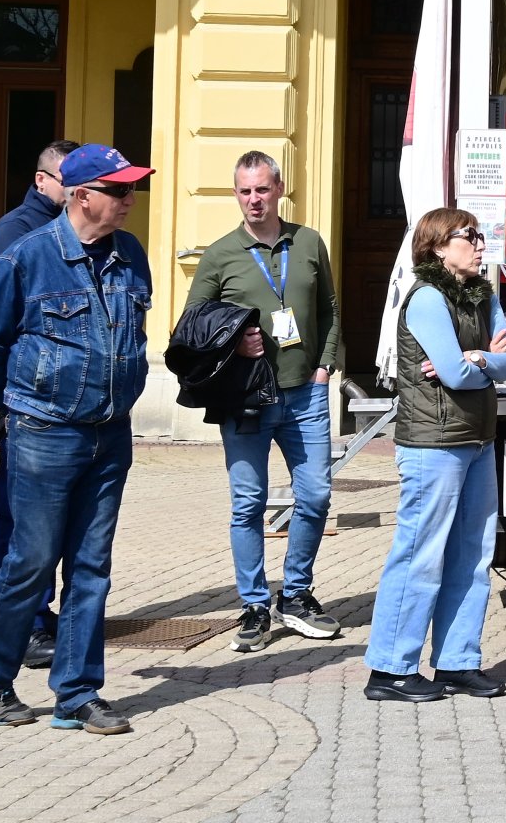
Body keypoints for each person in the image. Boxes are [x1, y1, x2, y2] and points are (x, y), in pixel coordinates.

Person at [0, 143, 155, 735]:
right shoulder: (27, 258)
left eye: (131, 190)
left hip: (110, 431)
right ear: (81, 196)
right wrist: (30, 399)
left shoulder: (129, 255)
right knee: (32, 560)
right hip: (44, 432)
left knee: (92, 566)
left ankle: (77, 693)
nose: (128, 201)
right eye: (118, 191)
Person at [188, 151, 342, 653]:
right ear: (237, 195)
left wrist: (324, 368)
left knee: (315, 495)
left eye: (262, 189)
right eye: (244, 191)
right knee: (248, 503)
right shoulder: (220, 254)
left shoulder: (310, 241)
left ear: (279, 189)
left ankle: (296, 594)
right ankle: (254, 604)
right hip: (247, 398)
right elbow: (192, 326)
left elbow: (330, 309)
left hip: (305, 394)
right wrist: (232, 342)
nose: (254, 200)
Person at [364, 208, 506, 703]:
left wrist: (480, 359)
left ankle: (457, 661)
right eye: (468, 237)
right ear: (436, 246)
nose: (479, 244)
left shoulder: (483, 294)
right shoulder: (428, 298)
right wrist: (479, 362)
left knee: (473, 555)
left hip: (477, 438)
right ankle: (390, 669)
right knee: (420, 554)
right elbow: (452, 375)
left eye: (479, 235)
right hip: (434, 444)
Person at [0, 138, 80, 671]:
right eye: (69, 180)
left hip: (72, 414)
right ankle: (28, 626)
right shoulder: (20, 232)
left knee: (59, 527)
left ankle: (51, 622)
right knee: (24, 527)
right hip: (31, 412)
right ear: (42, 180)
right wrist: (16, 395)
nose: (76, 189)